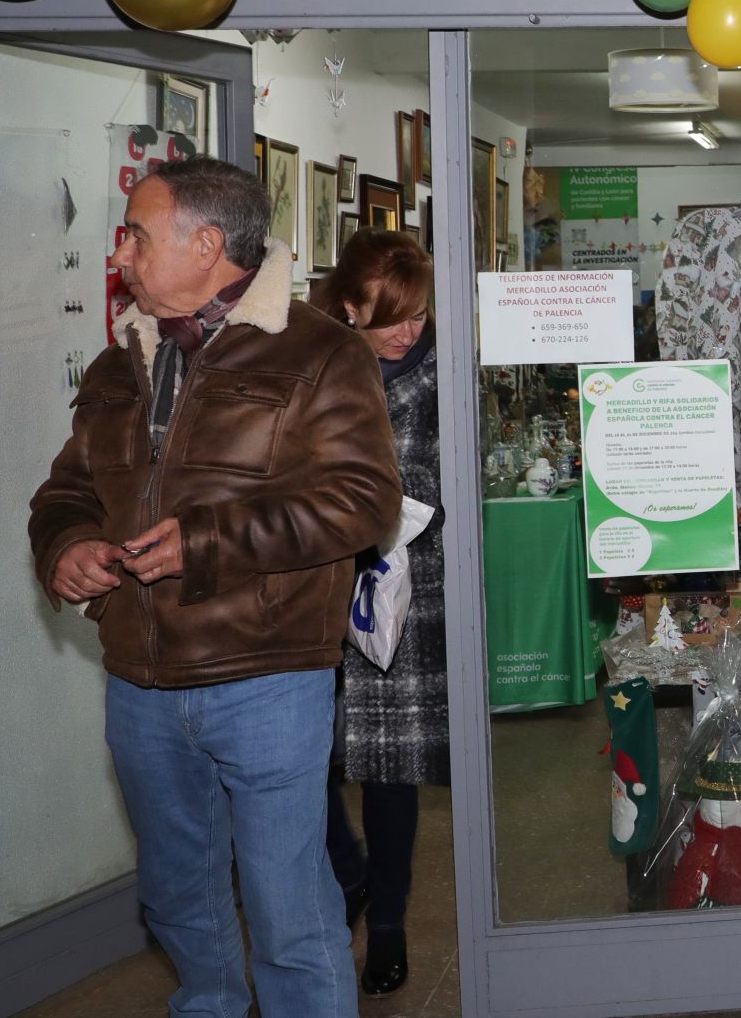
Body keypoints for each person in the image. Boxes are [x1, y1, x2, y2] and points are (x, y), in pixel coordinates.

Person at [28, 157, 400, 1018]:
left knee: (288, 914)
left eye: (137, 235)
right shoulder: (120, 361)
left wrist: (208, 543)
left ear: (206, 244)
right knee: (180, 906)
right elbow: (67, 492)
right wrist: (67, 547)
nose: (120, 254)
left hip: (269, 678)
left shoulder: (320, 351)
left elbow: (363, 500)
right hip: (140, 683)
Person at [312, 230, 443, 998]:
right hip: (318, 582)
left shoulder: (438, 374)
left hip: (404, 582)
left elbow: (443, 470)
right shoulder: (315, 365)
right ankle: (349, 870)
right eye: (392, 316)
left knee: (392, 771)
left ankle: (387, 922)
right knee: (309, 753)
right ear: (350, 306)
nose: (409, 329)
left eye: (419, 312)